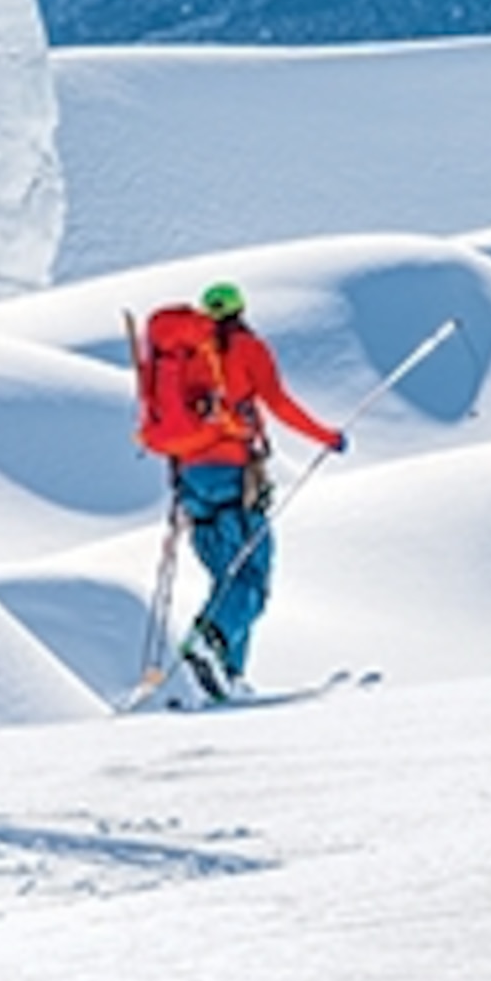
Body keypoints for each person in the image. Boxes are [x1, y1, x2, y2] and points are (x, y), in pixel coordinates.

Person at [136, 280, 343, 700]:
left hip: (190, 479)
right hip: (233, 475)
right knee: (252, 579)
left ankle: (227, 680)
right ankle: (208, 641)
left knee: (224, 579)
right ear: (240, 310)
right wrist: (326, 437)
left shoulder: (182, 355)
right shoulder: (247, 349)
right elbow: (278, 403)